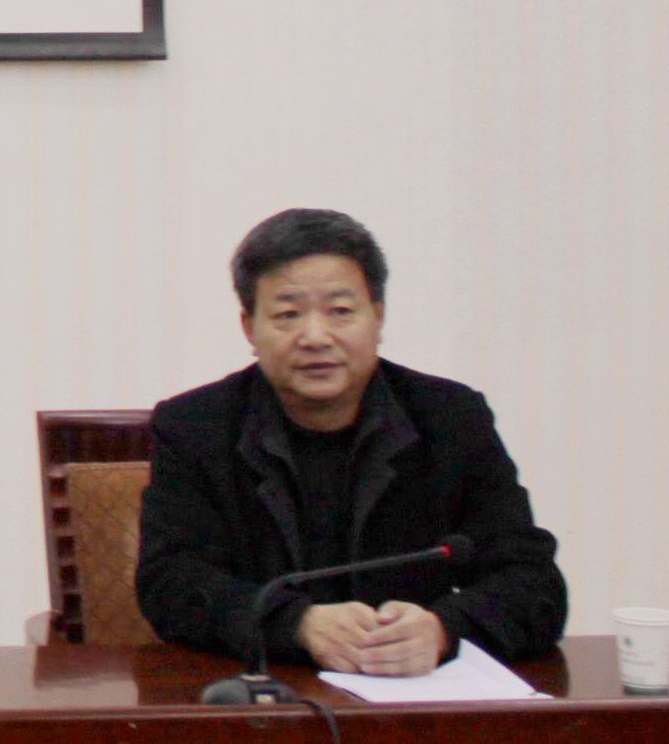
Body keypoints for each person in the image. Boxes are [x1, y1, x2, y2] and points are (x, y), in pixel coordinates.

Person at [135, 208, 566, 677]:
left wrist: (444, 628)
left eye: (340, 311)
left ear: (378, 318)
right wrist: (297, 624)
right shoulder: (195, 427)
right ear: (249, 327)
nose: (315, 337)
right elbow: (170, 584)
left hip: (410, 696)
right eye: (288, 314)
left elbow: (534, 583)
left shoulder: (451, 419)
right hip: (261, 694)